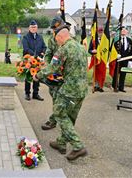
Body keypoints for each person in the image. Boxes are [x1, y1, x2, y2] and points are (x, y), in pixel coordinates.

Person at [34, 27, 88, 161]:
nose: (56, 41)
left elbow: (53, 67)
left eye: (56, 38)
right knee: (70, 117)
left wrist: (38, 75)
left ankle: (78, 146)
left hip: (69, 90)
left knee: (58, 113)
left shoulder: (63, 49)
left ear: (60, 37)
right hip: (82, 89)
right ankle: (61, 143)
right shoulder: (81, 47)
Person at [41, 15, 65, 130]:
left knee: (60, 99)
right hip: (54, 74)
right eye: (53, 29)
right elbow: (48, 53)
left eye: (56, 28)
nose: (55, 31)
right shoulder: (52, 38)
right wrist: (46, 63)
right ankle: (56, 119)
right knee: (55, 97)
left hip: (65, 74)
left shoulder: (70, 38)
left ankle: (54, 120)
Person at [22, 20, 46, 101]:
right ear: (29, 28)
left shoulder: (40, 37)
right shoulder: (25, 37)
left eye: (35, 27)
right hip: (28, 59)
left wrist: (43, 52)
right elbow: (26, 48)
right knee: (28, 76)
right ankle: (27, 93)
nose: (33, 28)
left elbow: (44, 46)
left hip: (38, 60)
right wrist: (35, 56)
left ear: (37, 28)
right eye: (32, 27)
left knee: (37, 77)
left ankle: (35, 93)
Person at [111, 27, 132, 92]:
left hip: (126, 59)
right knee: (116, 74)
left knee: (123, 74)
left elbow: (130, 51)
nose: (123, 31)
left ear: (127, 32)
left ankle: (121, 87)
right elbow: (111, 49)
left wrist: (130, 61)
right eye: (122, 30)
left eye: (125, 30)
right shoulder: (116, 39)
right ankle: (115, 86)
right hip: (117, 59)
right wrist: (115, 55)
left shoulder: (129, 40)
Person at [88, 27, 104, 92]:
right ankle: (95, 86)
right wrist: (92, 51)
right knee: (95, 73)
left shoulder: (105, 40)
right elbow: (89, 50)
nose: (100, 34)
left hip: (103, 59)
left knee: (102, 73)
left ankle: (100, 86)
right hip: (95, 59)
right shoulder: (93, 40)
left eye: (101, 32)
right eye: (99, 32)